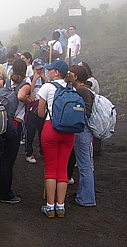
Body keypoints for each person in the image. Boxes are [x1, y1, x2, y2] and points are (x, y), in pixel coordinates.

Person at [0, 59, 34, 204]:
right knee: (8, 160)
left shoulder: (5, 82)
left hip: (0, 122)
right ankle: (4, 193)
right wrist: (29, 100)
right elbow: (21, 96)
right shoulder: (25, 85)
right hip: (14, 124)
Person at [37, 60, 74, 218]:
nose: (49, 72)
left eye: (50, 70)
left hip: (51, 128)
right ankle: (61, 206)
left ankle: (50, 206)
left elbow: (39, 113)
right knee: (63, 168)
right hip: (69, 131)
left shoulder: (47, 87)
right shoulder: (73, 88)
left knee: (51, 168)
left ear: (56, 72)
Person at [69, 65, 96, 207]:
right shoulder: (86, 89)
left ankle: (86, 198)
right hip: (86, 131)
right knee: (84, 164)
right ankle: (84, 194)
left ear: (76, 77)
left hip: (82, 131)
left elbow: (85, 111)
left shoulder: (81, 90)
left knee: (84, 166)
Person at [25, 59, 47, 164]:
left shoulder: (44, 79)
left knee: (42, 131)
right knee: (30, 132)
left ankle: (42, 150)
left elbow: (49, 88)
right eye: (37, 69)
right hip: (32, 108)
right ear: (33, 69)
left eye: (41, 69)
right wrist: (34, 79)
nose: (39, 71)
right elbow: (29, 91)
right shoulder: (29, 79)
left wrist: (44, 78)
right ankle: (28, 153)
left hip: (42, 108)